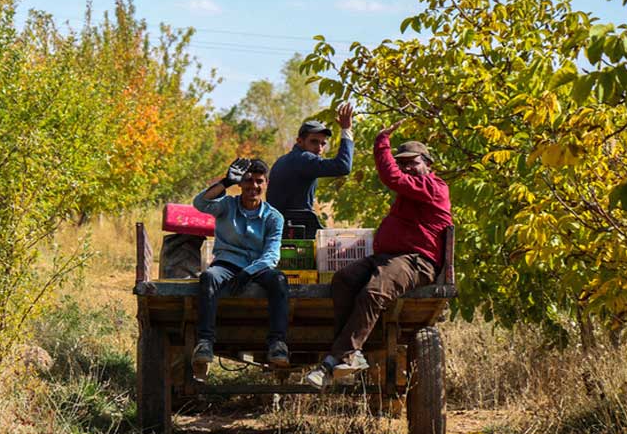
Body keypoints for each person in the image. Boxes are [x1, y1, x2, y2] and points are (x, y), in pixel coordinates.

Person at [306, 119, 452, 388]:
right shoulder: (408, 194)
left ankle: (336, 359)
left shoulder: (434, 187)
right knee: (343, 279)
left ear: (428, 164)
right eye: (403, 161)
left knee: (373, 292)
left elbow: (391, 176)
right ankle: (351, 355)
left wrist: (382, 140)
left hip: (417, 260)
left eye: (413, 161)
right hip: (388, 258)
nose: (407, 166)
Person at [191, 157, 290, 373]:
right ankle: (205, 342)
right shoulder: (227, 205)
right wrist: (225, 182)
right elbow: (200, 204)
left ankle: (277, 344)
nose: (253, 186)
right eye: (247, 180)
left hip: (258, 268)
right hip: (227, 263)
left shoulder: (274, 217)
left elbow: (271, 255)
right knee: (208, 277)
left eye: (259, 181)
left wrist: (248, 272)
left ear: (266, 184)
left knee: (279, 281)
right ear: (240, 183)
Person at [266, 103, 354, 238]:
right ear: (299, 141)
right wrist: (346, 130)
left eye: (323, 143)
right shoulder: (304, 159)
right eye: (314, 142)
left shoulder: (283, 160)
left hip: (279, 227)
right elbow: (343, 166)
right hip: (295, 230)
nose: (319, 148)